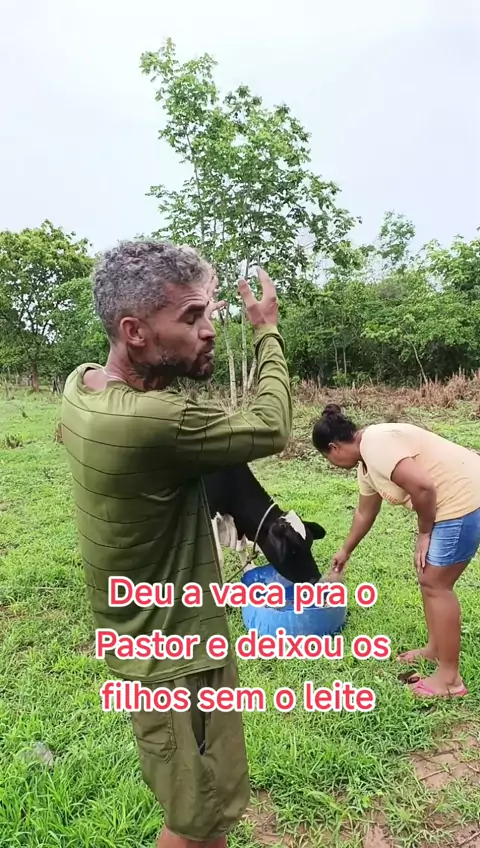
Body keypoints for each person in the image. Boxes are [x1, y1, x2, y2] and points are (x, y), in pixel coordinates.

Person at [61, 240, 293, 847]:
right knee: (193, 821)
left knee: (207, 813)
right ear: (134, 331)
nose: (209, 329)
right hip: (174, 654)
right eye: (191, 317)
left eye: (210, 311)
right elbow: (273, 425)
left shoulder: (82, 386)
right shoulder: (150, 421)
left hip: (144, 635)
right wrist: (266, 332)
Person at [312, 403, 480, 699]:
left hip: (463, 498)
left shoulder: (376, 445)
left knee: (437, 584)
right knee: (428, 578)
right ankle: (435, 649)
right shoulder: (366, 463)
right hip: (453, 499)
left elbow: (424, 488)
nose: (332, 465)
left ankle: (450, 680)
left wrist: (424, 533)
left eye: (328, 459)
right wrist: (345, 550)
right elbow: (365, 513)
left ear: (334, 448)